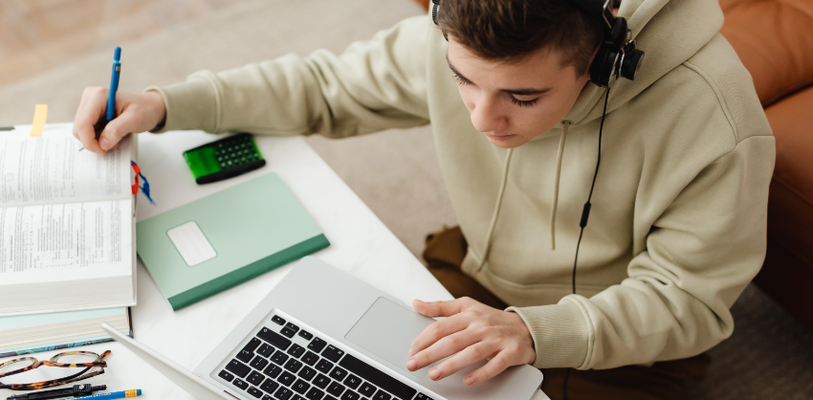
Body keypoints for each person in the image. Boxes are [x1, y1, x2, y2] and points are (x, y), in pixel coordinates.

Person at [73, 0, 775, 398]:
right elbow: (326, 86)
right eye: (462, 80)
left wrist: (535, 332)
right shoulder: (464, 30)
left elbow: (686, 300)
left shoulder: (713, 119)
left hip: (627, 349)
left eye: (521, 97)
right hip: (476, 283)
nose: (479, 118)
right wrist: (169, 102)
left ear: (601, 63)